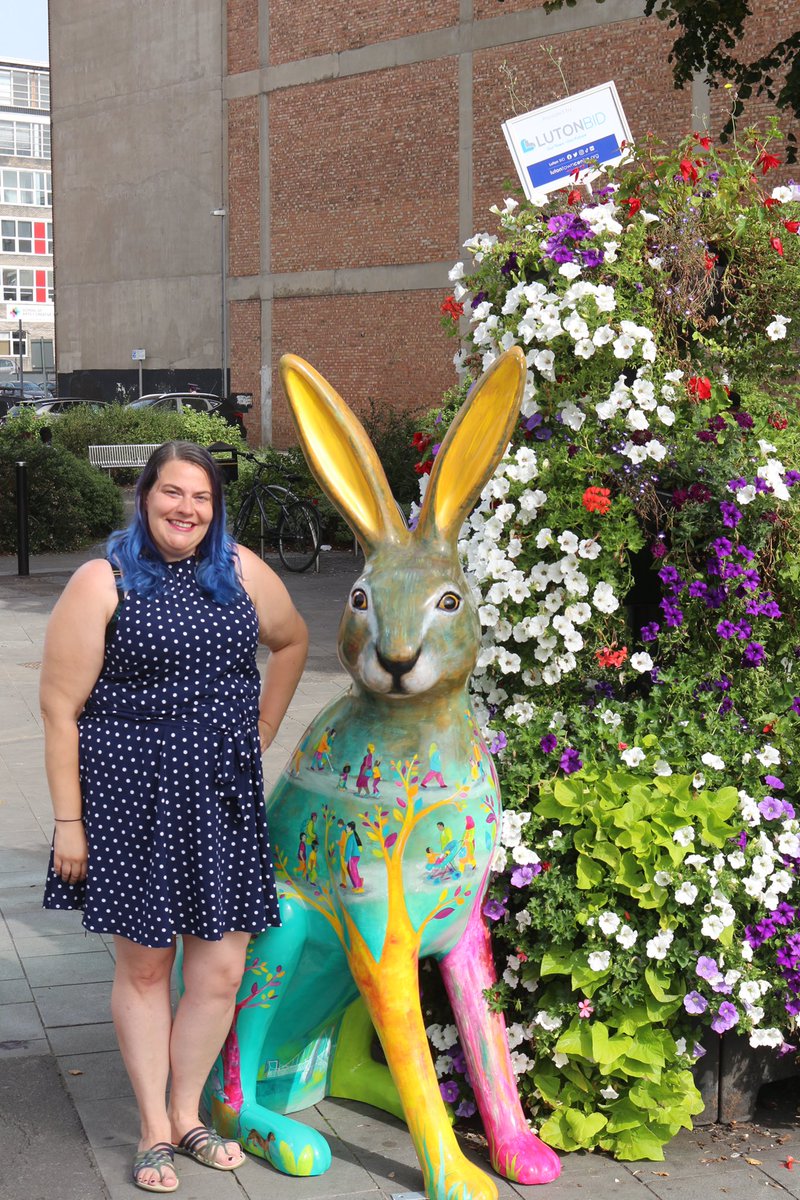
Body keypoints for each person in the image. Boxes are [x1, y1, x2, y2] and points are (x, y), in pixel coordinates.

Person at [40, 441, 308, 1194]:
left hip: (220, 795)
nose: (186, 509)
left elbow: (291, 643)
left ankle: (187, 1115)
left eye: (201, 497)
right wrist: (68, 823)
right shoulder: (105, 581)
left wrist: (261, 729)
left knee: (220, 969)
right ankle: (152, 1131)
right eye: (171, 493)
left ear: (214, 507)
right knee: (148, 965)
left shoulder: (242, 572)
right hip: (132, 799)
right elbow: (59, 711)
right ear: (145, 495)